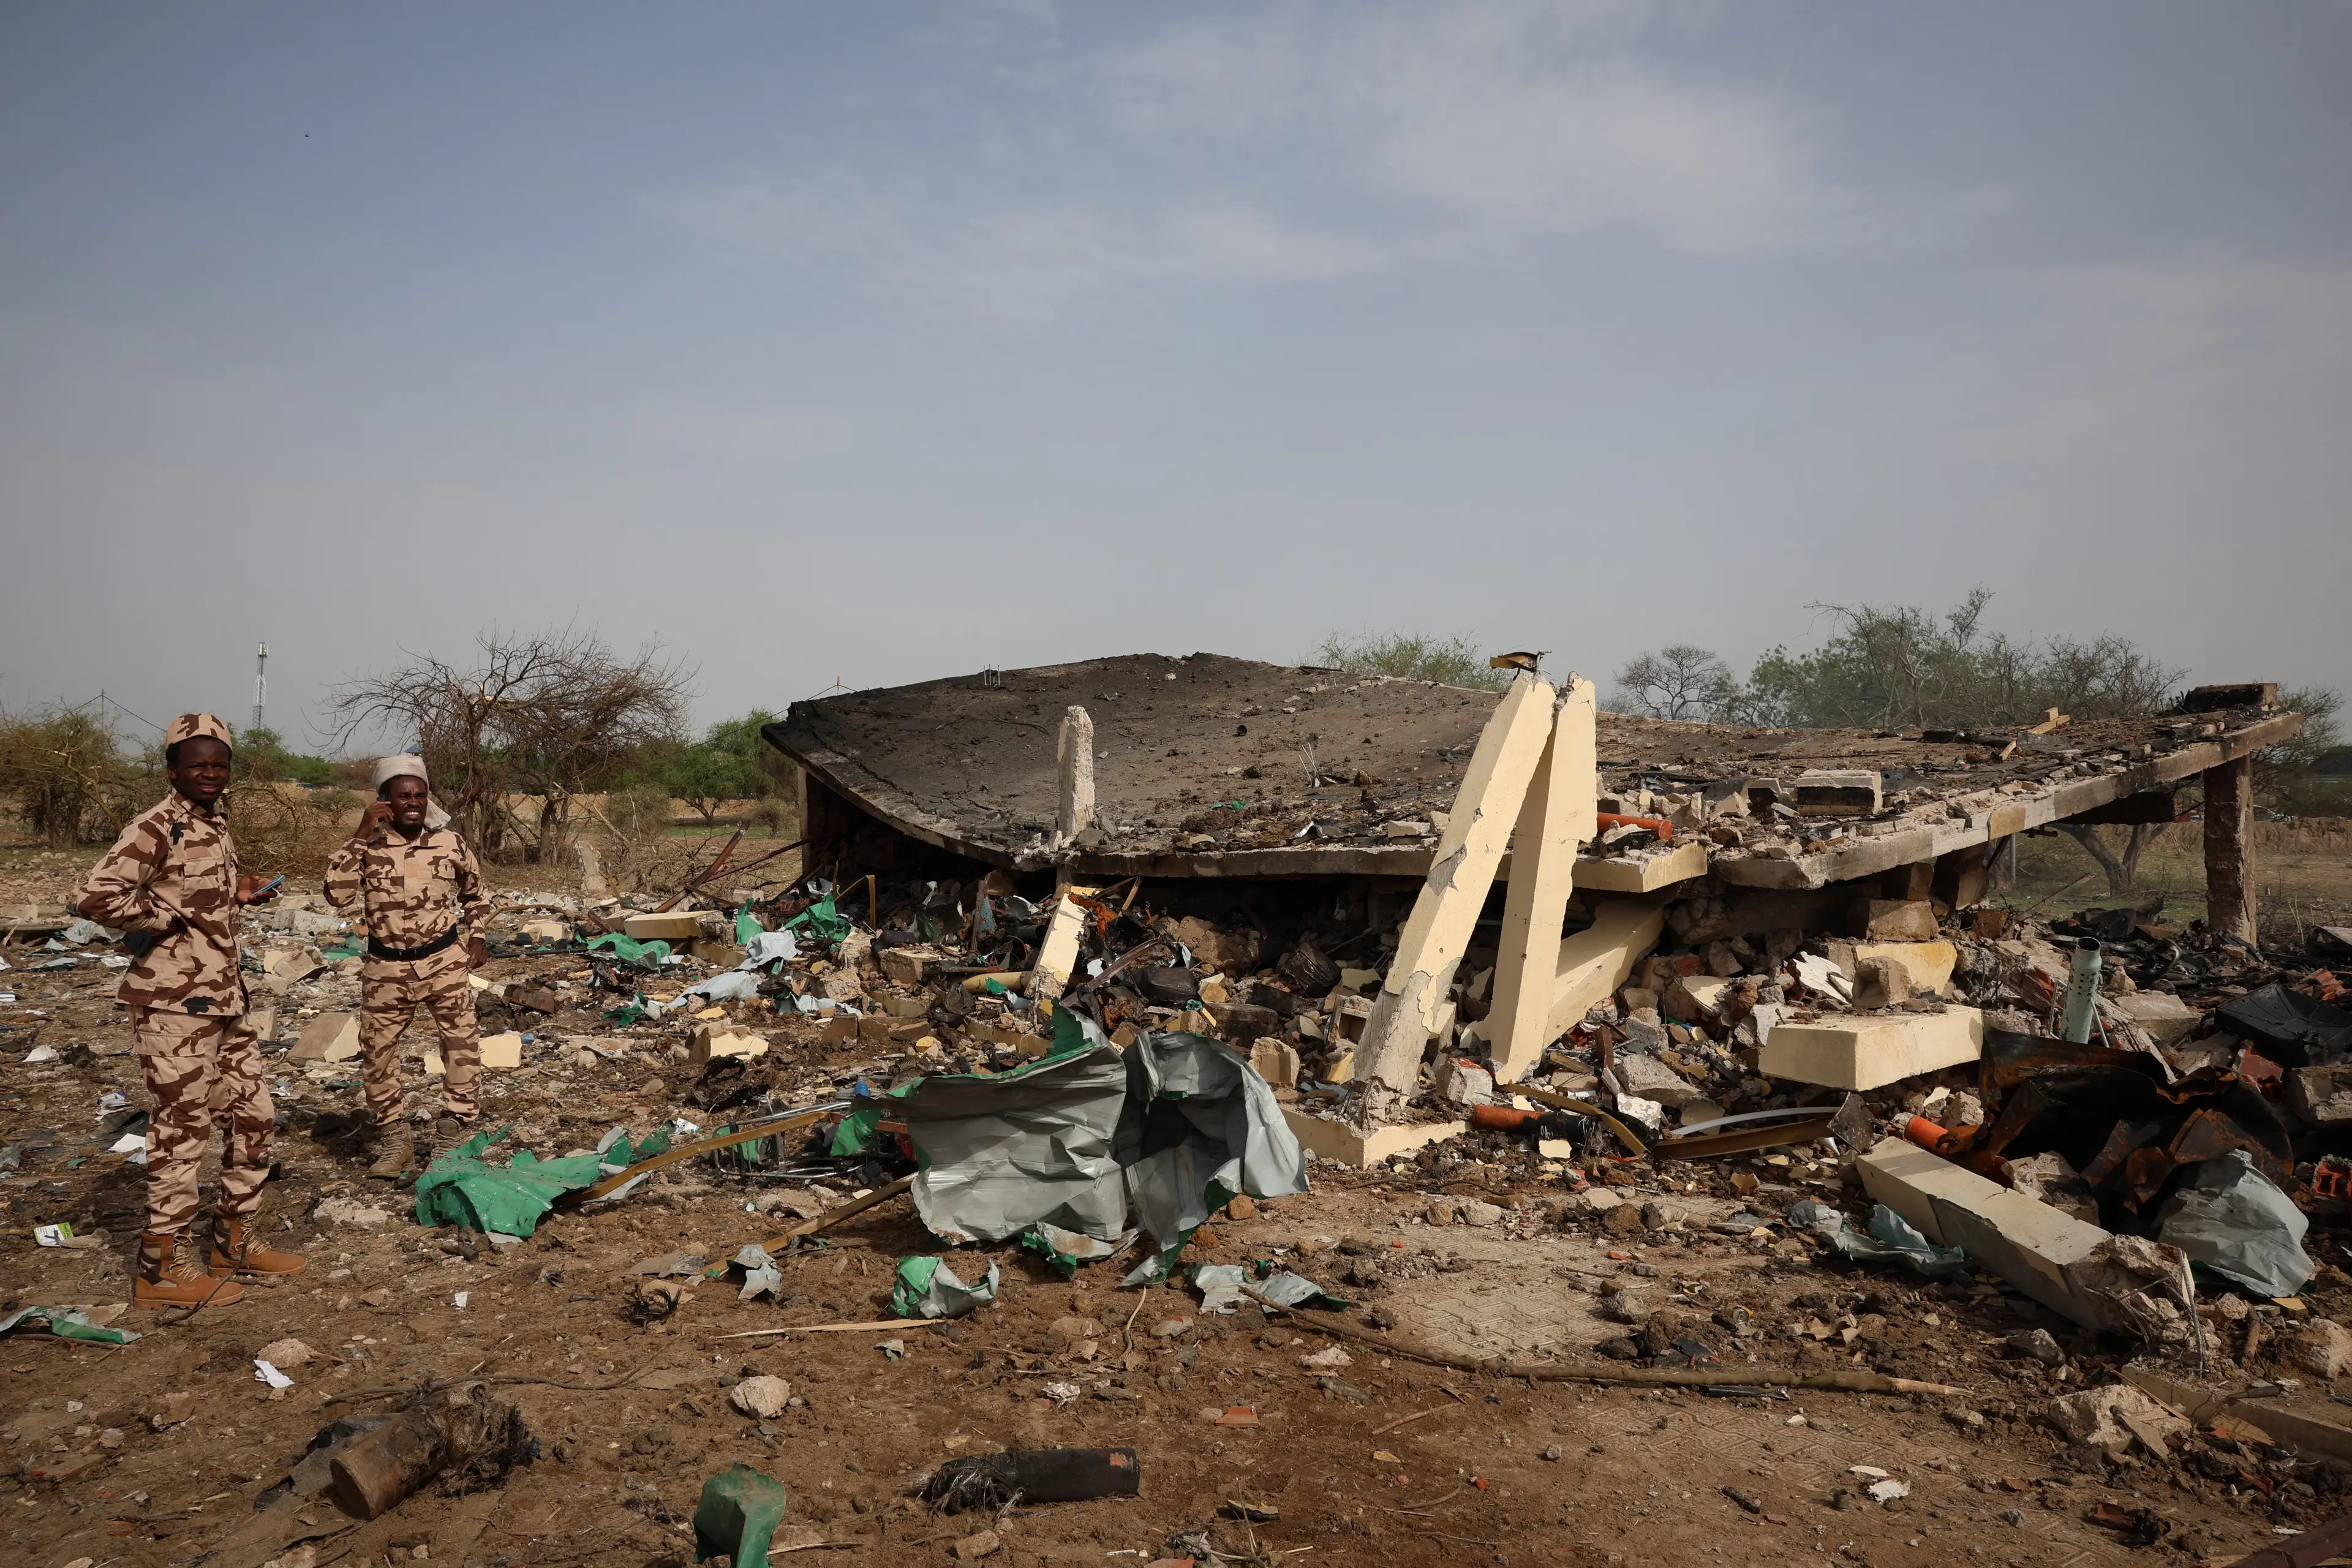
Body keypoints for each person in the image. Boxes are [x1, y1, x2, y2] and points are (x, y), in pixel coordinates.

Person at [77, 713, 304, 1309]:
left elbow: (195, 892)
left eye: (219, 763)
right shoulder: (156, 825)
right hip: (172, 1004)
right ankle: (161, 1268)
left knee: (254, 1115)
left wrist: (237, 892)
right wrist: (162, 919)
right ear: (173, 767)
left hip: (223, 998)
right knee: (182, 1131)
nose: (210, 772)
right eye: (197, 763)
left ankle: (233, 1240)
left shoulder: (214, 822)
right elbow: (95, 893)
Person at [323, 754, 488, 1177]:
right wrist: (361, 832)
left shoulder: (450, 842)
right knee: (377, 1053)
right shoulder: (367, 848)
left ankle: (455, 1133)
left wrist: (480, 934)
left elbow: (476, 894)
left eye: (419, 794)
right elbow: (336, 896)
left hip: (443, 961)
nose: (413, 802)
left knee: (462, 1046)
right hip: (386, 968)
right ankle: (394, 1141)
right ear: (385, 801)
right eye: (403, 796)